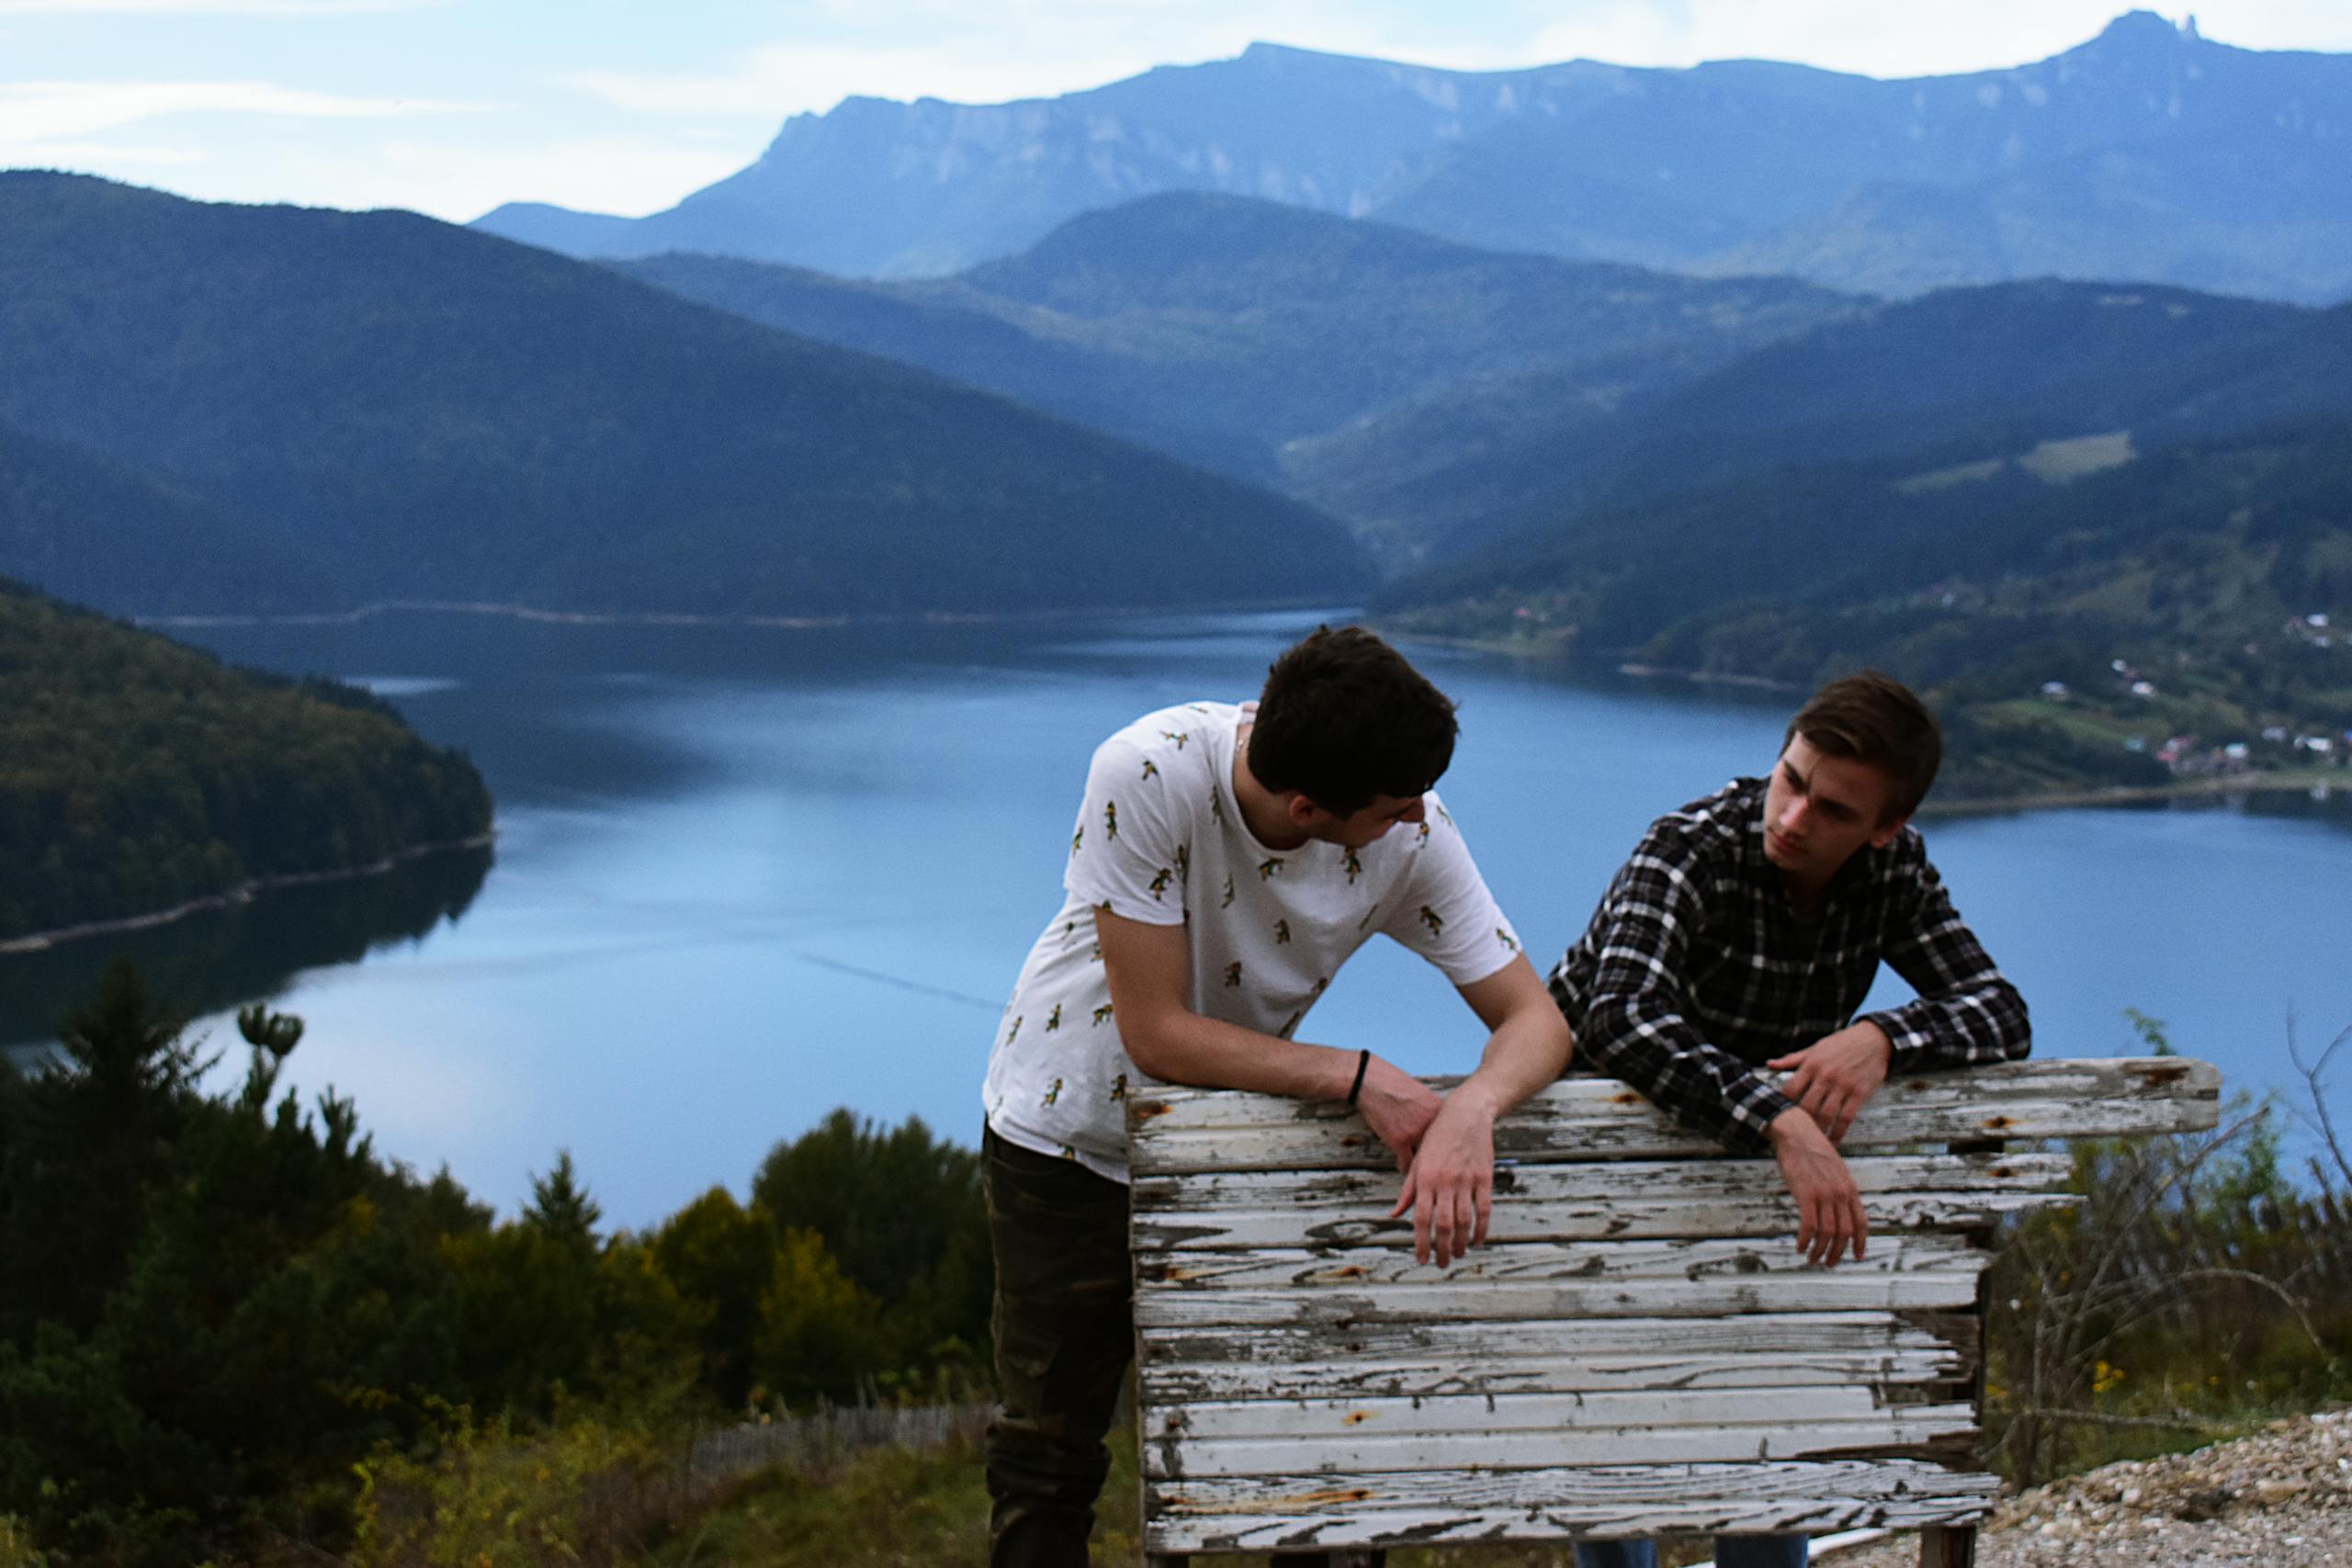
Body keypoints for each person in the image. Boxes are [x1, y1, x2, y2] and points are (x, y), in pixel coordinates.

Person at [979, 625, 1573, 1568]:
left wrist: (1470, 1109)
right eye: (1393, 809)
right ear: (1307, 809)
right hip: (1069, 1141)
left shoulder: (1413, 829)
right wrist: (1360, 1076)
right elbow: (1156, 1033)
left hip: (1243, 1143)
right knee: (1048, 1453)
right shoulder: (1148, 773)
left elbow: (1536, 1022)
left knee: (1308, 1437)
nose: (1417, 820)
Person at [1550, 671, 2030, 1568]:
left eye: (1834, 811)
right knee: (1611, 1451)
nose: (1794, 817)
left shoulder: (1894, 871)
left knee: (1774, 1429)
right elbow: (1619, 1016)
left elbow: (1999, 1010)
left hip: (1758, 1201)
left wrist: (1882, 1035)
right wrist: (1779, 1117)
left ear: (1885, 829)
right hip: (1598, 1193)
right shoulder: (1687, 848)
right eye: (1791, 779)